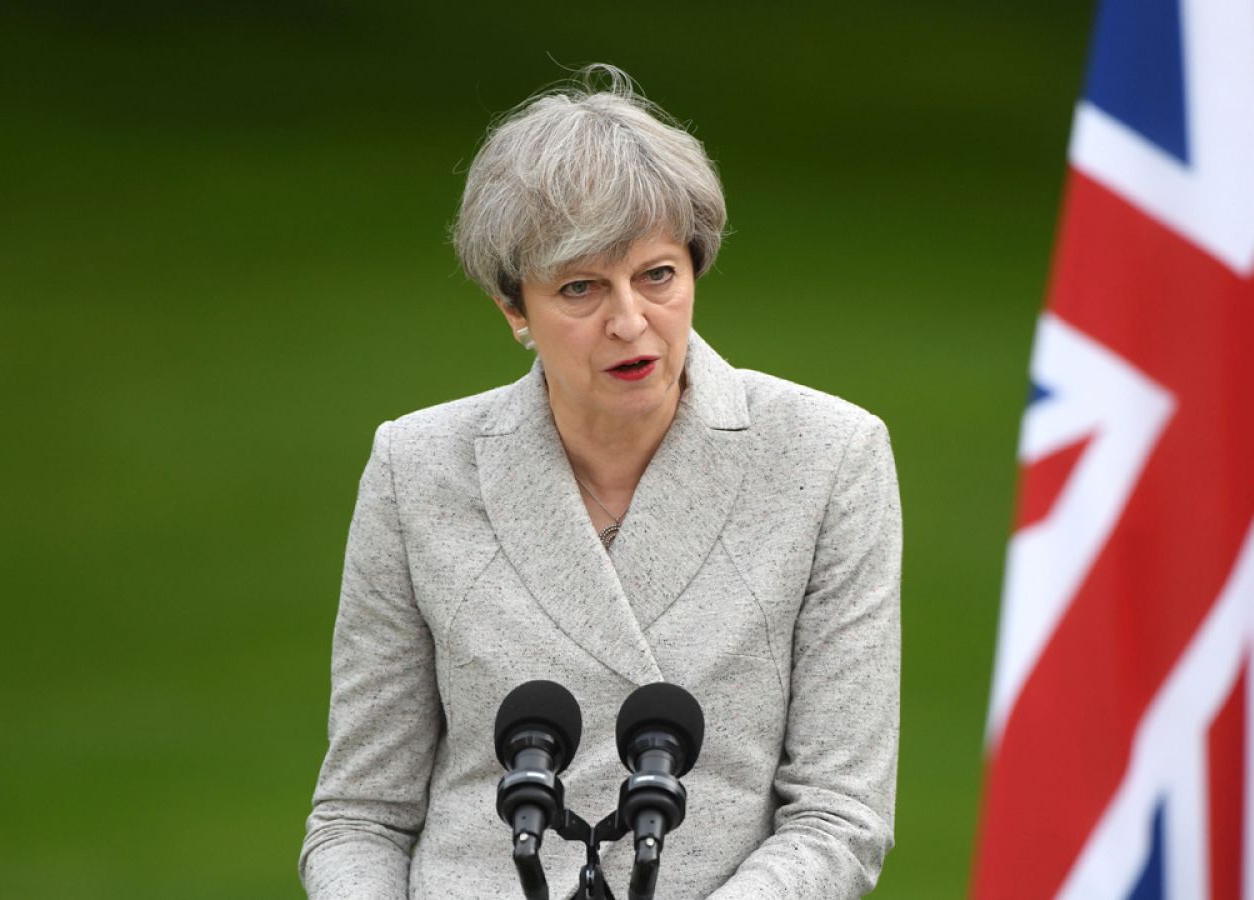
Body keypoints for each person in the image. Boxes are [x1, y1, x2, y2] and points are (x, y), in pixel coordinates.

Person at [299, 64, 902, 899]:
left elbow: (838, 816)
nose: (629, 322)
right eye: (580, 288)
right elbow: (361, 817)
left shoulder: (832, 455)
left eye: (657, 276)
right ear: (514, 308)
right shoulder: (416, 467)